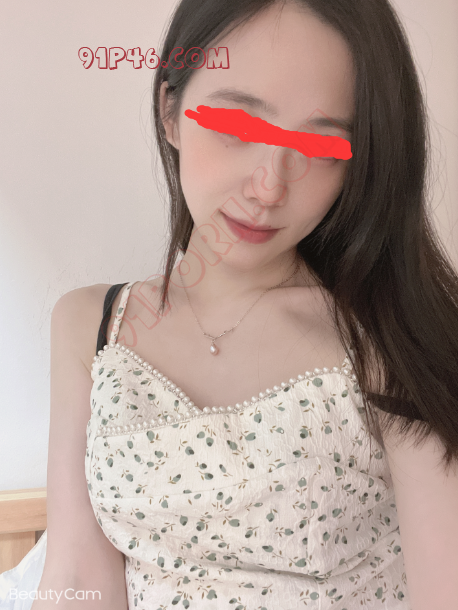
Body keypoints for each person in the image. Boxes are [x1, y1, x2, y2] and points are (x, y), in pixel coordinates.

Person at [2, 0, 458, 608]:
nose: (269, 187)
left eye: (321, 147)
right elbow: (77, 575)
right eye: (239, 126)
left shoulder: (391, 336)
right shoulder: (92, 325)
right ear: (170, 113)